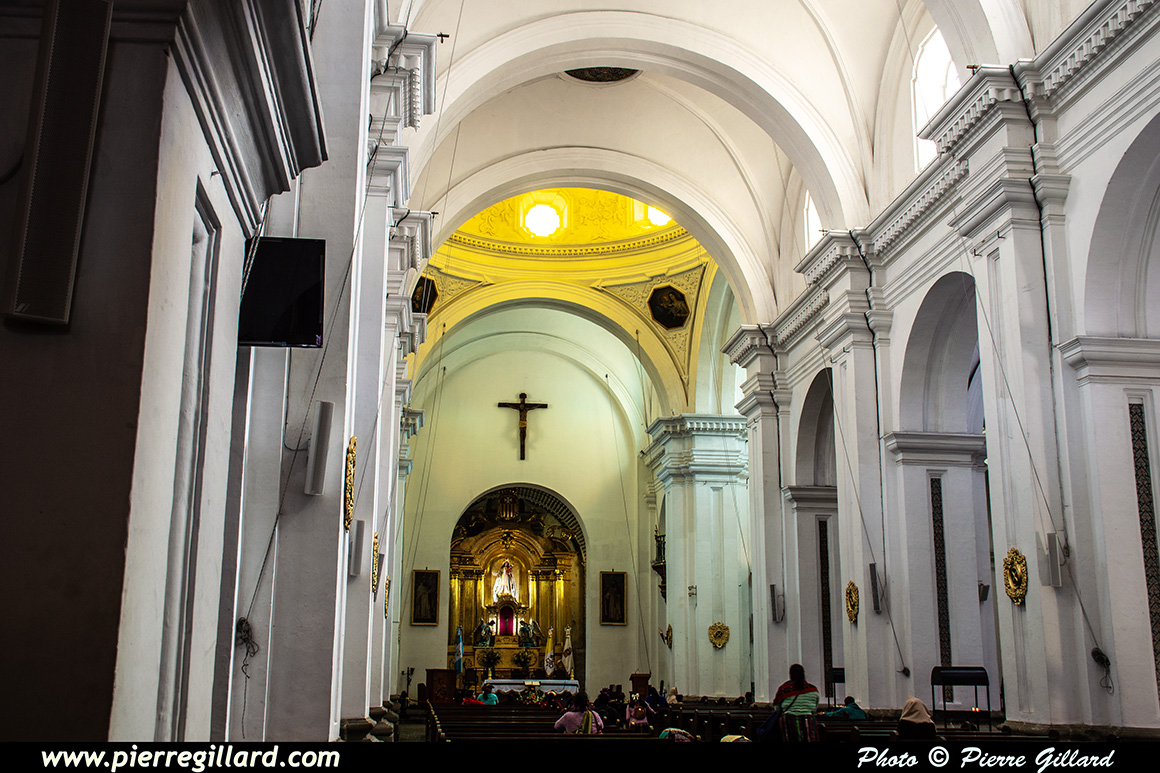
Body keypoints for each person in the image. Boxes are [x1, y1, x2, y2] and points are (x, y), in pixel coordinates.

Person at [770, 663, 820, 742]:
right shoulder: (813, 689)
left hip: (789, 721)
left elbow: (777, 708)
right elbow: (814, 708)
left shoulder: (784, 689)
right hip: (808, 720)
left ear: (791, 674)